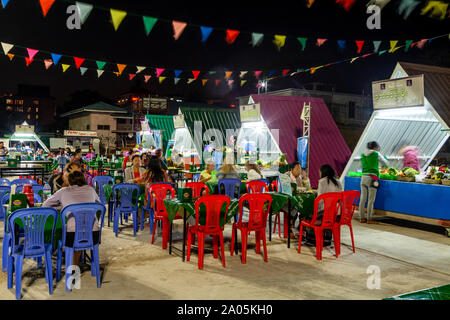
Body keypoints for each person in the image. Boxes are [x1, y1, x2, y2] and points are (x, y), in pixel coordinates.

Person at [43, 171, 101, 266]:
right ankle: (77, 263)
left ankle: (71, 265)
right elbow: (99, 205)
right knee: (81, 231)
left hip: (73, 235)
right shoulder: (91, 190)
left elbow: (46, 204)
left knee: (65, 232)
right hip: (93, 234)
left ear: (69, 181)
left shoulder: (63, 191)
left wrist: (64, 207)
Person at [359, 141, 388, 224]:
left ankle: (362, 218)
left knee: (363, 199)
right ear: (375, 147)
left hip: (363, 177)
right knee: (371, 200)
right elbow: (385, 163)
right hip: (372, 178)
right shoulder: (376, 153)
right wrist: (383, 166)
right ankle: (369, 219)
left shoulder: (362, 154)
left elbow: (362, 166)